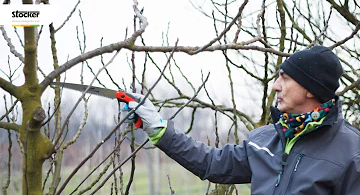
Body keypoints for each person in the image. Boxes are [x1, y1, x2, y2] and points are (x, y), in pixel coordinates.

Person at [122, 45, 360, 195]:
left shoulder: (351, 152)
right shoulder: (264, 140)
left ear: (311, 89)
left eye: (285, 79)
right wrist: (159, 131)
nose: (276, 86)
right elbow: (212, 163)